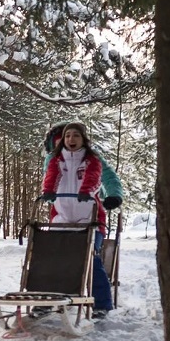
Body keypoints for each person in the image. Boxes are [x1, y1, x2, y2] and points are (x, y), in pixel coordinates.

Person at [39, 121, 122, 317]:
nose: (70, 140)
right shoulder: (54, 160)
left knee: (89, 257)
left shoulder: (93, 159)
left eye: (75, 136)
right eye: (66, 138)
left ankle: (101, 304)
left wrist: (114, 196)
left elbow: (109, 178)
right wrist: (47, 193)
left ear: (83, 139)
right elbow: (49, 181)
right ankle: (45, 298)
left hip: (91, 218)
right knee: (50, 258)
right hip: (62, 219)